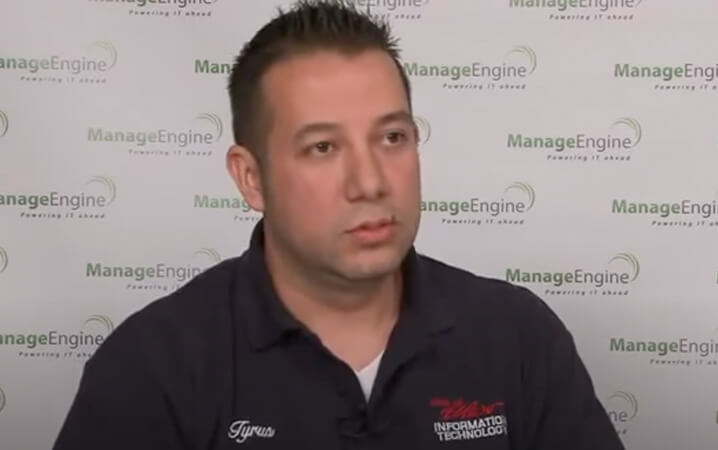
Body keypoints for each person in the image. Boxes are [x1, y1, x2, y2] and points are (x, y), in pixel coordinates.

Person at [52, 1, 625, 448]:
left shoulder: (517, 337)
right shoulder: (152, 366)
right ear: (251, 178)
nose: (370, 182)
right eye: (323, 147)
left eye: (392, 137)